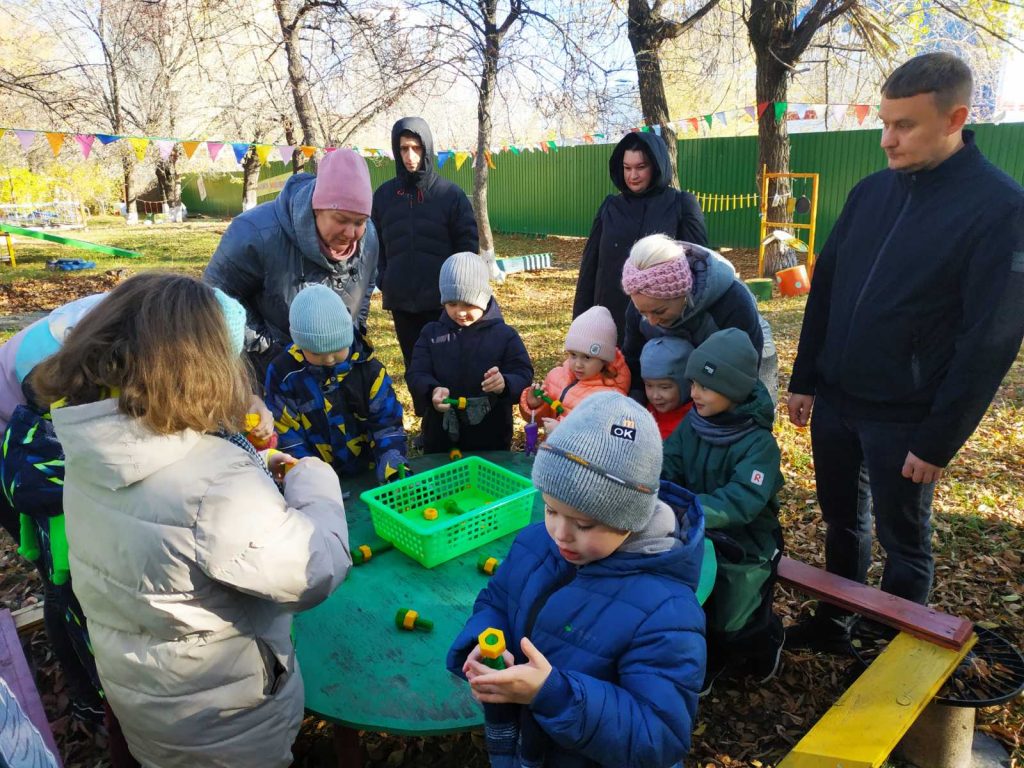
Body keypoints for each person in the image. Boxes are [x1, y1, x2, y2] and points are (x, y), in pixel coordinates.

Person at [37, 273, 352, 768]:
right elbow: (313, 569)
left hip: (150, 710)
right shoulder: (214, 483)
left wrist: (255, 470)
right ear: (203, 367)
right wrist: (314, 481)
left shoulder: (90, 452)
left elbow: (167, 528)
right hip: (228, 730)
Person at [786, 53, 1024, 651]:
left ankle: (889, 642)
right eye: (885, 124)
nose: (887, 140)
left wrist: (940, 437)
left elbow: (991, 336)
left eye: (904, 126)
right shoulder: (871, 193)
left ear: (955, 119)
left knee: (904, 539)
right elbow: (828, 287)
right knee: (842, 522)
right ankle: (837, 621)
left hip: (907, 415)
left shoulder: (999, 208)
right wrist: (805, 376)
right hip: (838, 400)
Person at [447, 392, 706, 768]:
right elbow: (498, 600)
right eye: (551, 509)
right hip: (528, 747)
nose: (560, 534)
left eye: (584, 524)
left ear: (630, 519)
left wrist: (553, 695)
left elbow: (659, 737)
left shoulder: (666, 612)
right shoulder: (537, 541)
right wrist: (485, 639)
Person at [662, 329, 784, 693]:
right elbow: (670, 463)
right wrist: (654, 490)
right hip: (695, 529)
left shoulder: (758, 443)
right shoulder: (693, 423)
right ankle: (706, 658)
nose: (694, 392)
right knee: (690, 599)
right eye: (693, 383)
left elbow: (742, 499)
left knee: (734, 617)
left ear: (733, 389)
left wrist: (691, 509)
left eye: (705, 386)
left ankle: (767, 641)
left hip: (747, 543)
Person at [204, 148, 379, 380]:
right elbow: (216, 297)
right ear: (317, 209)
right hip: (271, 372)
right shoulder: (254, 233)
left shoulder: (369, 238)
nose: (351, 232)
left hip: (338, 367)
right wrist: (269, 349)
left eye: (359, 222)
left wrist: (352, 339)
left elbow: (365, 288)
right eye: (341, 220)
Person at [264, 284, 408, 483]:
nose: (330, 359)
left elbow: (387, 423)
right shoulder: (284, 374)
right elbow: (286, 435)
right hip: (313, 480)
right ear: (300, 343)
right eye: (317, 353)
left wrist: (392, 461)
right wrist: (306, 475)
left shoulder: (369, 370)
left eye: (338, 349)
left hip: (368, 472)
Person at [572, 131, 708, 343]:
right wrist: (579, 327)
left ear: (656, 165)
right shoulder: (610, 207)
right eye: (627, 168)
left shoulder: (681, 204)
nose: (632, 176)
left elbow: (700, 272)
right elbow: (589, 268)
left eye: (640, 167)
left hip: (660, 326)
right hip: (609, 319)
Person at [372, 117, 480, 371]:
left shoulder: (449, 195)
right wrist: (385, 279)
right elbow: (373, 245)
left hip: (444, 304)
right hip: (402, 303)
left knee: (449, 366)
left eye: (417, 148)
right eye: (403, 148)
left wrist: (458, 293)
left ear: (427, 148)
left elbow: (467, 249)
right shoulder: (384, 196)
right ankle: (424, 411)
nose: (410, 155)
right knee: (415, 367)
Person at [620, 233, 775, 403]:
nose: (651, 321)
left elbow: (741, 381)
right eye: (643, 312)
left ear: (684, 293)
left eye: (660, 312)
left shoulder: (733, 302)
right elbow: (633, 360)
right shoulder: (642, 303)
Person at [0, 293, 105, 540]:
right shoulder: (88, 361)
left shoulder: (133, 313)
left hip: (36, 413)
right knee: (54, 545)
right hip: (16, 440)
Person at [407, 252, 533, 455]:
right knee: (444, 482)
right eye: (452, 304)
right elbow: (416, 373)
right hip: (441, 436)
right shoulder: (431, 333)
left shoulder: (504, 335)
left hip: (491, 436)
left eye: (468, 304)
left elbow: (523, 373)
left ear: (483, 298)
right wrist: (431, 391)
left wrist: (505, 384)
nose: (460, 312)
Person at [519, 306, 630, 434]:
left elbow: (604, 438)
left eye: (587, 357)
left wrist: (563, 431)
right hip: (549, 451)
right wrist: (535, 406)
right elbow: (541, 420)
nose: (578, 364)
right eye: (573, 355)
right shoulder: (556, 377)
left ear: (604, 359)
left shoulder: (609, 397)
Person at [640, 336, 694, 439]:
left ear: (687, 385)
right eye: (649, 385)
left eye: (664, 387)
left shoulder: (696, 422)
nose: (655, 396)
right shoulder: (643, 413)